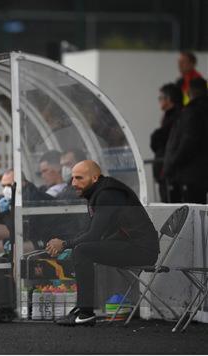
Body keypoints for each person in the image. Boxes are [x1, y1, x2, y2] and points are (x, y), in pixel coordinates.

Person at [45, 160, 159, 326]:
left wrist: (64, 244)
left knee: (82, 251)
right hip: (131, 246)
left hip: (142, 250)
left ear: (95, 178)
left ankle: (85, 313)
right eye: (72, 178)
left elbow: (94, 235)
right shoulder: (99, 192)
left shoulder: (108, 194)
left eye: (79, 178)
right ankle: (82, 309)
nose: (73, 183)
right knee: (81, 249)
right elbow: (92, 230)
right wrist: (71, 243)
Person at [163, 77, 208, 204]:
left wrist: (173, 162)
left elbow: (188, 142)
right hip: (201, 173)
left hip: (191, 174)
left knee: (192, 213)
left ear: (189, 92)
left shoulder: (191, 112)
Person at [150, 83, 183, 202]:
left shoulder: (178, 116)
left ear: (169, 99)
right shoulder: (171, 116)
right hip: (167, 170)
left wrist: (156, 136)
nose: (159, 101)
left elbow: (161, 139)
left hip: (171, 172)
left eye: (161, 98)